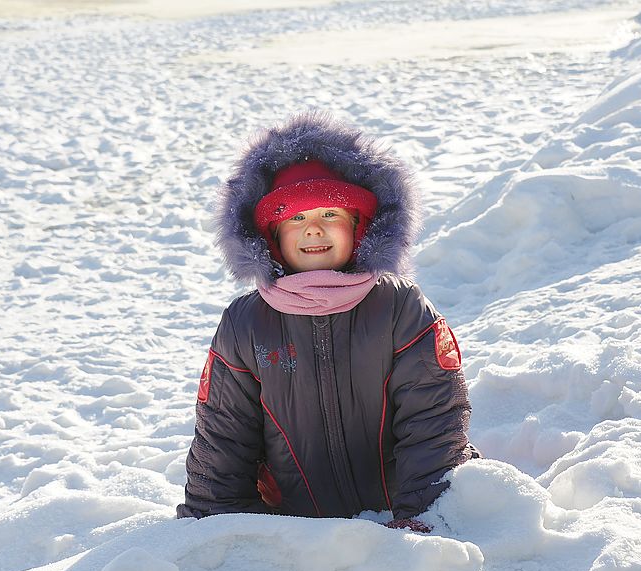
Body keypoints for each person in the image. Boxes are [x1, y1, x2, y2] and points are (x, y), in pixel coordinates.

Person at [177, 112, 478, 532]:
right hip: (300, 531)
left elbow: (432, 422)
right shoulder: (245, 324)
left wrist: (424, 520)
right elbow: (225, 439)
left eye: (330, 215)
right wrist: (212, 532)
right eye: (296, 218)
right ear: (270, 236)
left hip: (398, 518)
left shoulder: (399, 307)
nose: (314, 230)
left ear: (360, 226)